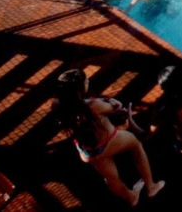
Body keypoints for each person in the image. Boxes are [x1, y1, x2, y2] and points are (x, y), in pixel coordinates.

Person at [53, 69, 164, 205]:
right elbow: (115, 107)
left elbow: (85, 106)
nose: (88, 81)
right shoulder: (93, 106)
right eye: (85, 81)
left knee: (111, 178)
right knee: (136, 144)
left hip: (87, 152)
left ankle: (131, 198)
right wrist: (111, 102)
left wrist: (104, 101)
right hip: (107, 143)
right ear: (78, 90)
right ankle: (151, 187)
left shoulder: (57, 105)